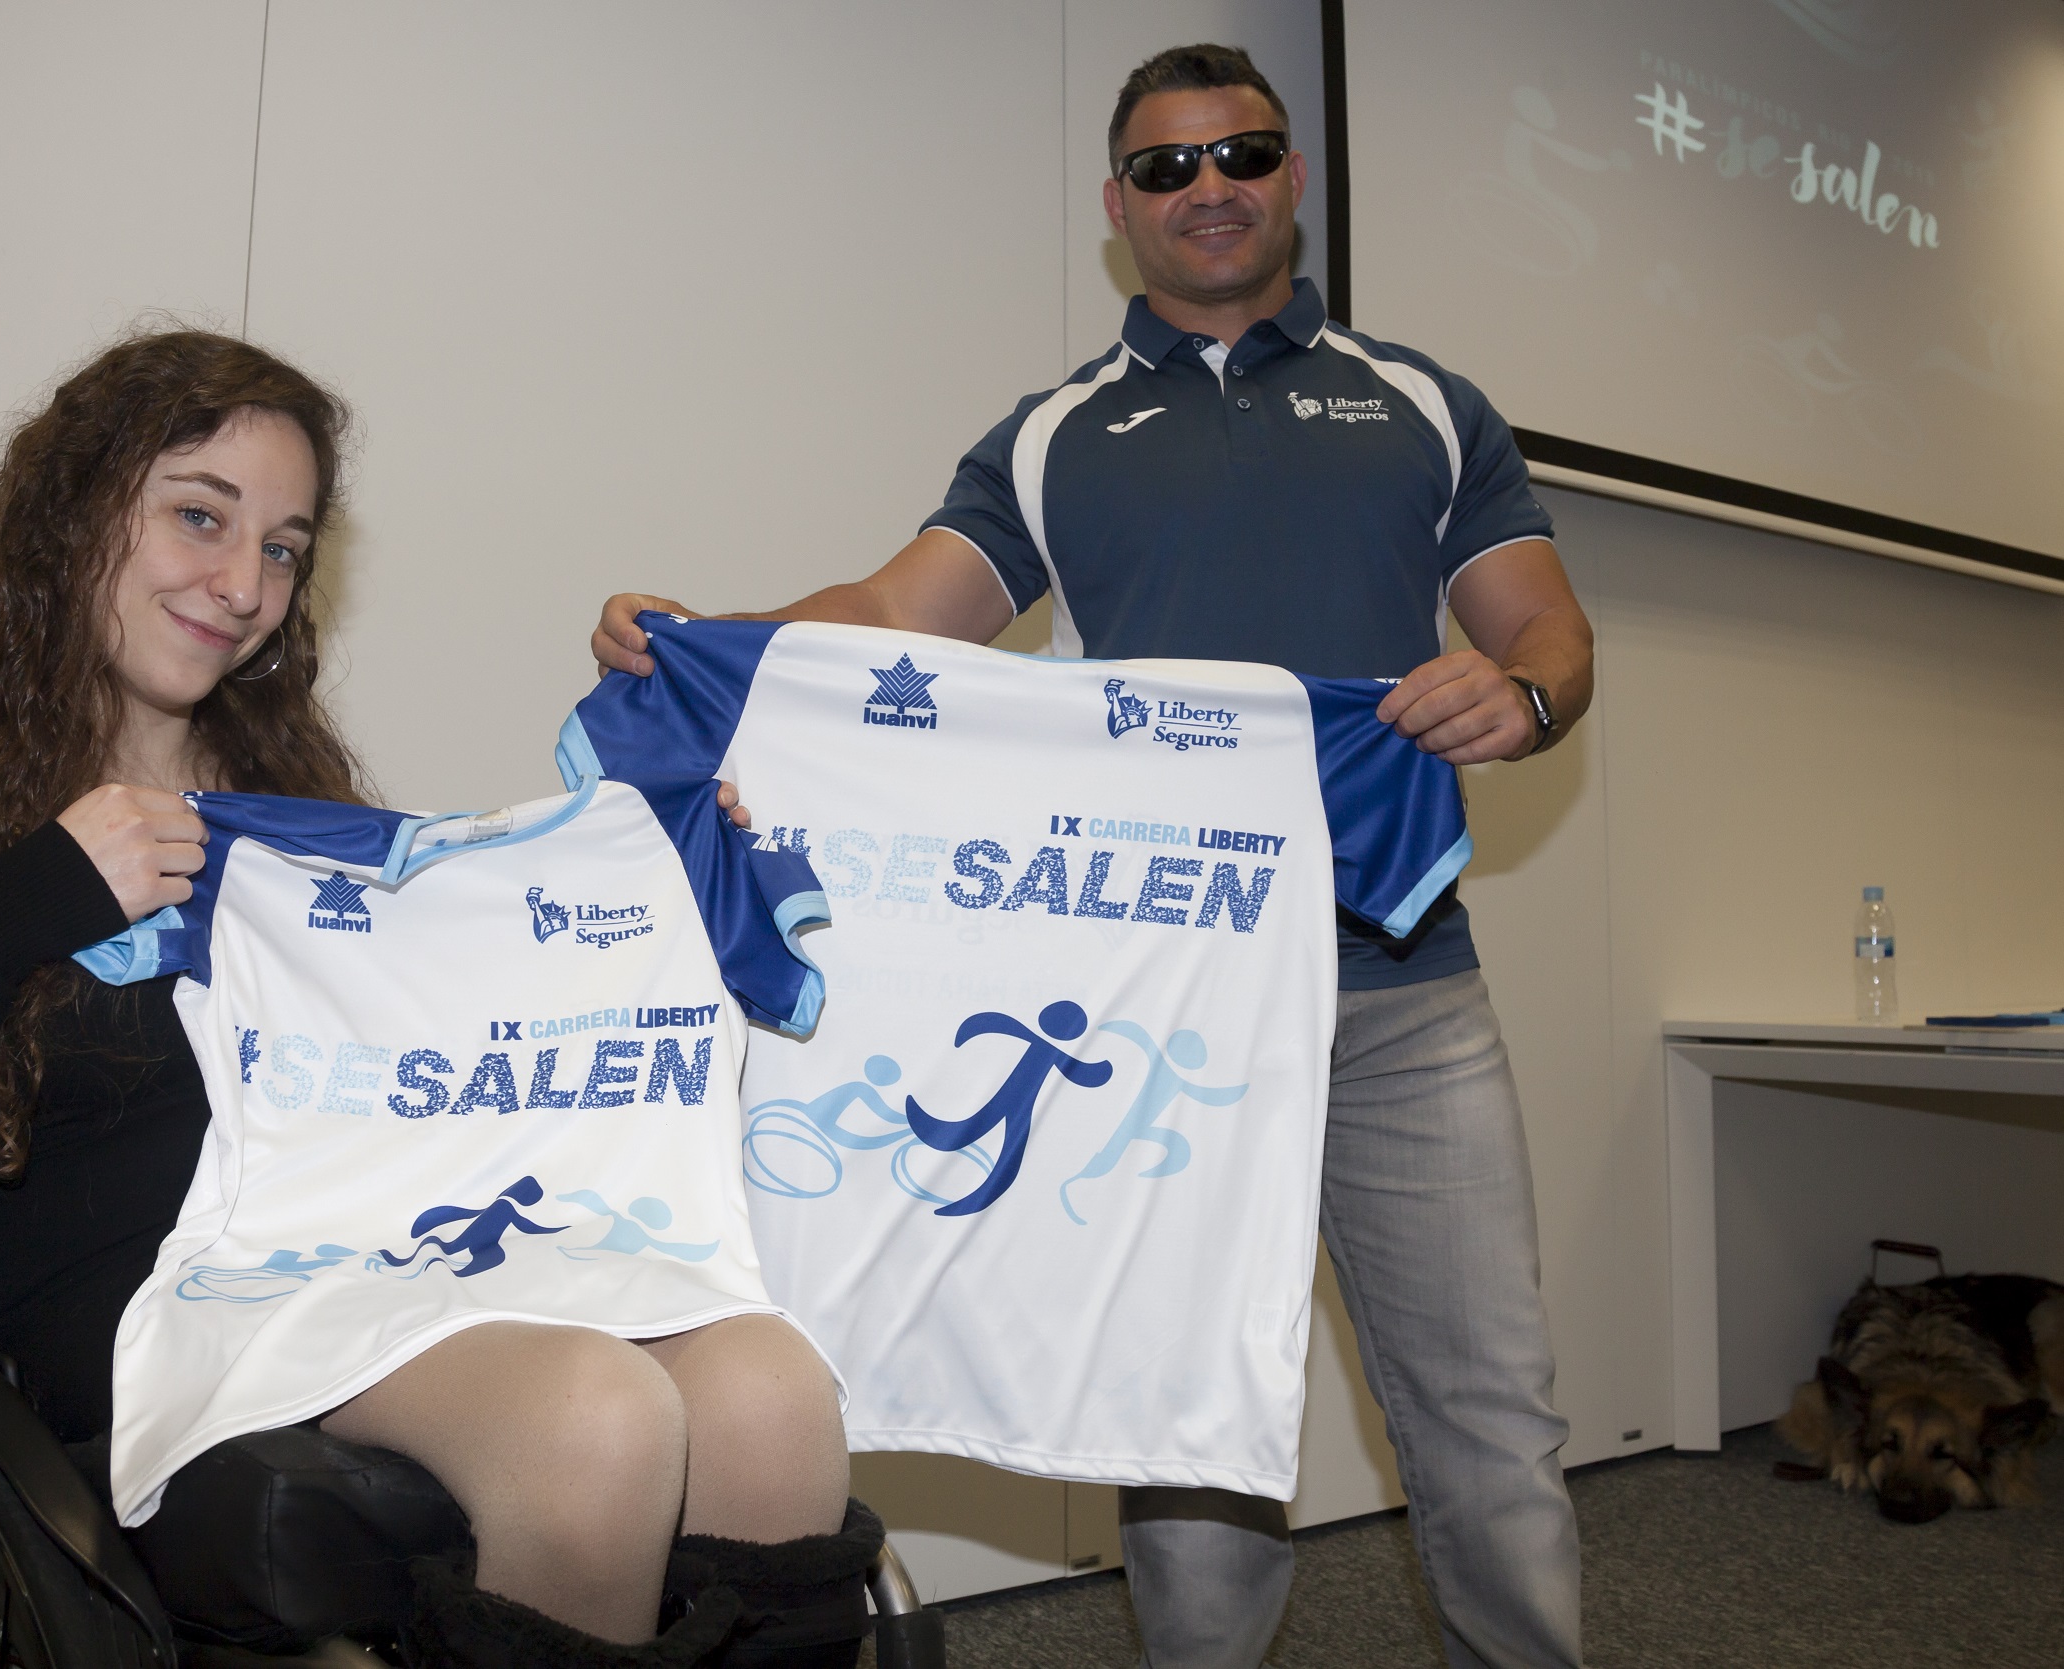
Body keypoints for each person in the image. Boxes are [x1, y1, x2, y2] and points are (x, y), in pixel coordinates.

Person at [0, 330, 861, 1666]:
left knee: (770, 1392)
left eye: (283, 547)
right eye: (200, 516)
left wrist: (665, 886)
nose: (245, 583)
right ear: (73, 511)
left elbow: (460, 1071)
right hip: (123, 1323)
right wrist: (27, 899)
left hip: (357, 1273)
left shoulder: (296, 818)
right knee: (593, 1416)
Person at [592, 43, 1590, 1669]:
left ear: (1295, 176)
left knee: (1493, 1417)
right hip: (1167, 1011)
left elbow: (1545, 621)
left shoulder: (1422, 401)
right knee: (1182, 1423)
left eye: (1242, 154)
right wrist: (712, 637)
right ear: (1117, 206)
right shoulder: (1056, 433)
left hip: (1405, 996)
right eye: (1166, 168)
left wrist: (1528, 690)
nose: (1210, 188)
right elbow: (892, 613)